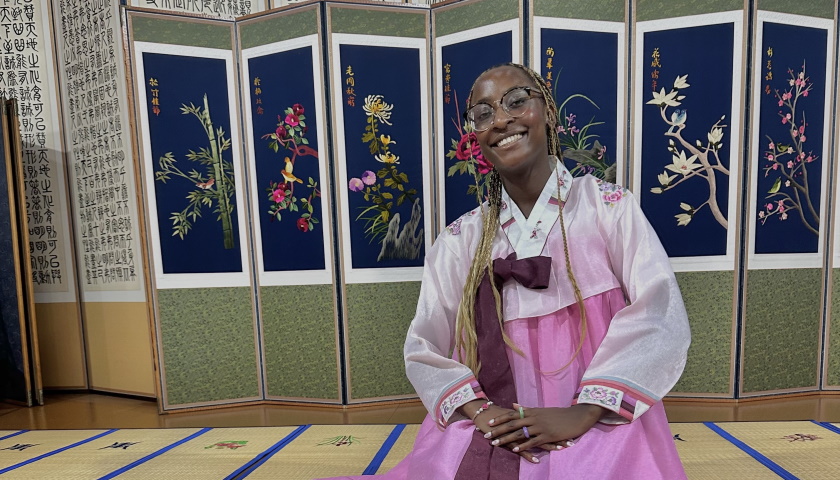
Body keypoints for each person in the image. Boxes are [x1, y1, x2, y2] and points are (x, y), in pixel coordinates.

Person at [325, 63, 691, 479]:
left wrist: (584, 410)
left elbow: (657, 312)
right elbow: (423, 343)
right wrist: (480, 410)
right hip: (497, 415)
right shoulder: (461, 239)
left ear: (548, 112)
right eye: (483, 114)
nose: (501, 120)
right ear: (475, 135)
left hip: (595, 409)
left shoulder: (608, 209)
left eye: (517, 101)